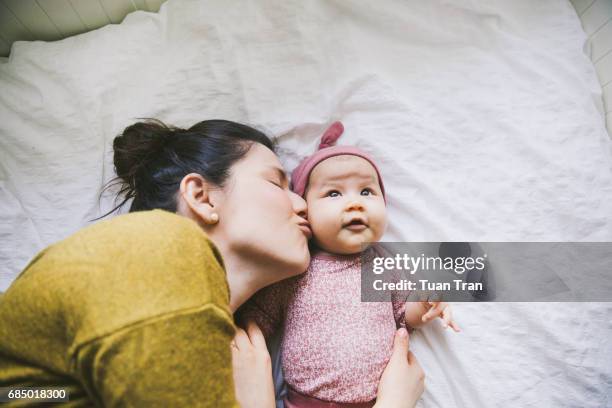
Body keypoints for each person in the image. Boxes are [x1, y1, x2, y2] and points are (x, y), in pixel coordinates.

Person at [0, 119, 425, 407]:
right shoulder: (152, 250)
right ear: (202, 197)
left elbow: (41, 394)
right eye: (277, 182)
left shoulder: (211, 339)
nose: (302, 204)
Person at [240, 122, 458, 407]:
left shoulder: (384, 264)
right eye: (334, 194)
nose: (355, 203)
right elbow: (259, 320)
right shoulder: (296, 266)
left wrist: (427, 303)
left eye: (367, 192)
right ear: (304, 209)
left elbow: (406, 315)